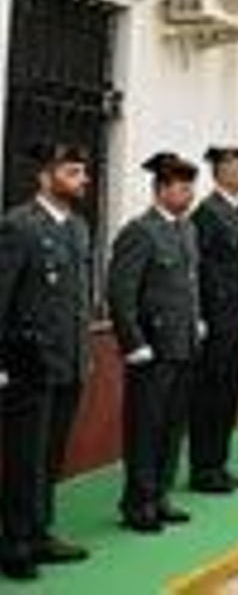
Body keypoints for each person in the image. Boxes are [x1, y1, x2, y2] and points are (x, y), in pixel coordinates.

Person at [0, 142, 93, 579]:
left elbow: (77, 302)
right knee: (24, 458)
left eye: (82, 173)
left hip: (68, 361)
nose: (83, 181)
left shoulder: (77, 228)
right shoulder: (19, 226)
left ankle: (40, 532)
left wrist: (84, 356)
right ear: (45, 177)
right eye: (73, 172)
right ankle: (14, 543)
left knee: (51, 456)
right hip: (27, 362)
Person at [107, 152, 203, 533]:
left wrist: (196, 320)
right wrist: (133, 342)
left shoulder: (186, 230)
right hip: (152, 347)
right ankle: (138, 502)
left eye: (190, 186)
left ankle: (160, 494)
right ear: (161, 189)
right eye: (182, 187)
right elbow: (121, 292)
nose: (189, 194)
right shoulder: (140, 232)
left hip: (182, 343)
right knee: (145, 427)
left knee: (172, 424)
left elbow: (187, 285)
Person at [188, 146, 238, 495]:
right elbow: (199, 270)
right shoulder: (207, 213)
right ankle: (204, 468)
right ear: (221, 171)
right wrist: (202, 316)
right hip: (217, 321)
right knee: (210, 395)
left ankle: (219, 463)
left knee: (229, 395)